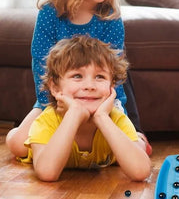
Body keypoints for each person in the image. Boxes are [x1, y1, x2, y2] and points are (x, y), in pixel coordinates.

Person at [6, 0, 152, 158]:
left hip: (100, 100)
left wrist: (117, 109)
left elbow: (115, 71)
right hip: (58, 99)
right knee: (16, 144)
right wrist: (53, 105)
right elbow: (41, 64)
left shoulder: (110, 18)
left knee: (136, 148)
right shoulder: (49, 14)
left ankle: (133, 136)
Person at [19, 35, 151, 182]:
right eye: (77, 76)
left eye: (100, 77)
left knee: (137, 146)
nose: (90, 86)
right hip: (37, 143)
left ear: (112, 86)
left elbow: (141, 172)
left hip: (116, 135)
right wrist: (74, 114)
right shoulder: (47, 121)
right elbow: (47, 173)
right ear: (55, 88)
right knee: (17, 144)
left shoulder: (115, 119)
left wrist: (101, 117)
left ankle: (139, 140)